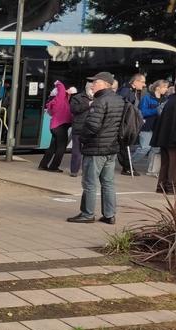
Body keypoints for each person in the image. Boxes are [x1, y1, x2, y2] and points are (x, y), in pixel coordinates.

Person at [68, 72, 122, 225]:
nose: (92, 85)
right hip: (111, 147)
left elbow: (92, 125)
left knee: (90, 183)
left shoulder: (99, 101)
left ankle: (87, 214)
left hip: (96, 148)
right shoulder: (119, 100)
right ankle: (110, 214)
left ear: (105, 84)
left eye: (95, 82)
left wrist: (82, 140)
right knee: (108, 183)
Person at [38, 81, 72, 173]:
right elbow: (61, 91)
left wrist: (67, 93)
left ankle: (43, 164)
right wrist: (58, 83)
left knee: (52, 147)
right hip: (61, 127)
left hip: (55, 127)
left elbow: (64, 96)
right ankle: (54, 166)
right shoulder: (59, 101)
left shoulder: (53, 103)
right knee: (61, 148)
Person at [135, 80, 168, 172]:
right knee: (145, 148)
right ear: (158, 88)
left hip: (159, 127)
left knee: (155, 149)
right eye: (164, 87)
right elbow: (142, 112)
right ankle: (129, 164)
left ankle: (151, 169)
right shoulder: (147, 98)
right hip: (147, 126)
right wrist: (156, 110)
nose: (166, 89)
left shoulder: (165, 99)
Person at [117, 73, 146, 175]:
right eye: (142, 82)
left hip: (127, 122)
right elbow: (121, 107)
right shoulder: (126, 91)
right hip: (124, 122)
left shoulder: (132, 91)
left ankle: (128, 167)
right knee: (123, 146)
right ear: (135, 81)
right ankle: (127, 167)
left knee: (124, 146)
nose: (144, 85)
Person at [152, 89, 176, 194]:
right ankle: (171, 187)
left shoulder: (170, 100)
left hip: (165, 137)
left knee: (166, 163)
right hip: (173, 138)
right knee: (174, 164)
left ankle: (161, 186)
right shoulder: (172, 100)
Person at [68, 83, 94, 177]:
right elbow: (74, 109)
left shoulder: (98, 98)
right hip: (79, 127)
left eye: (94, 88)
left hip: (91, 128)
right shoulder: (77, 97)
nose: (93, 90)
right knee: (76, 151)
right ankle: (74, 171)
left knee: (89, 152)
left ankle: (86, 171)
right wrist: (88, 104)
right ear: (87, 88)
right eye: (91, 88)